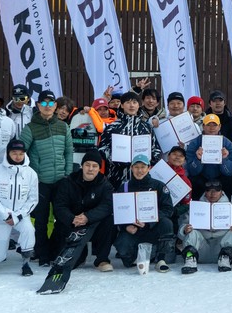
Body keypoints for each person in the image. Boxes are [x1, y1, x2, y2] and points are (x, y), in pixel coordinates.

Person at [45, 149, 115, 290]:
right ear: (82, 166)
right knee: (73, 261)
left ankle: (101, 260)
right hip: (72, 224)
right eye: (87, 165)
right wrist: (72, 218)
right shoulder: (68, 182)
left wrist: (87, 217)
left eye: (95, 166)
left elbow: (107, 206)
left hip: (93, 224)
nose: (90, 169)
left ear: (99, 168)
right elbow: (60, 205)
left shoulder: (105, 184)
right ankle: (79, 257)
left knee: (109, 222)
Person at [20, 90, 74, 266]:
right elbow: (21, 152)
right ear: (38, 106)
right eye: (44, 103)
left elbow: (68, 152)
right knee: (41, 220)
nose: (47, 107)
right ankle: (42, 254)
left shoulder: (63, 127)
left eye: (51, 103)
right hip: (40, 182)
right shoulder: (30, 128)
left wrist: (67, 174)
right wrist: (30, 174)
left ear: (55, 106)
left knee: (61, 219)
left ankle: (56, 251)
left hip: (60, 180)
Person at [113, 155, 175, 274]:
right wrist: (125, 226)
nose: (139, 170)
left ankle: (161, 259)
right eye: (136, 167)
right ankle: (141, 256)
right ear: (131, 168)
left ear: (149, 168)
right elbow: (117, 212)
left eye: (143, 167)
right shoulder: (124, 187)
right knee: (124, 253)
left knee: (167, 223)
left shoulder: (159, 186)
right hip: (133, 230)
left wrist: (149, 221)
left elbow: (168, 209)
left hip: (152, 228)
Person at [0, 139, 39, 276]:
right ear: (8, 153)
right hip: (1, 217)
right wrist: (5, 215)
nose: (17, 156)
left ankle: (26, 263)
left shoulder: (30, 173)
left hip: (20, 215)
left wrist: (18, 216)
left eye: (21, 153)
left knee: (29, 230)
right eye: (14, 153)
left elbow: (33, 199)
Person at [98, 90, 161, 190]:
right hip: (116, 177)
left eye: (134, 102)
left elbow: (156, 150)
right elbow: (102, 148)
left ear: (138, 105)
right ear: (122, 105)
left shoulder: (146, 127)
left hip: (141, 177)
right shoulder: (112, 127)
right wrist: (115, 159)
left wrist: (145, 161)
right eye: (128, 102)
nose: (131, 105)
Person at [179, 180, 232, 274]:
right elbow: (182, 227)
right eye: (209, 190)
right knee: (192, 232)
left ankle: (225, 259)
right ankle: (190, 259)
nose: (212, 194)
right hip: (201, 249)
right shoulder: (196, 208)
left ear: (221, 192)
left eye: (216, 191)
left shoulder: (230, 208)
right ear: (205, 192)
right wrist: (185, 229)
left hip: (221, 248)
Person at [185, 113, 232, 198]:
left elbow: (229, 172)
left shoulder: (227, 143)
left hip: (220, 177)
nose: (212, 128)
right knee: (193, 181)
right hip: (202, 177)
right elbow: (192, 171)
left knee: (229, 181)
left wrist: (224, 159)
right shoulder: (194, 143)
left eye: (214, 125)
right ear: (203, 126)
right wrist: (197, 159)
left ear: (219, 126)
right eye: (208, 125)